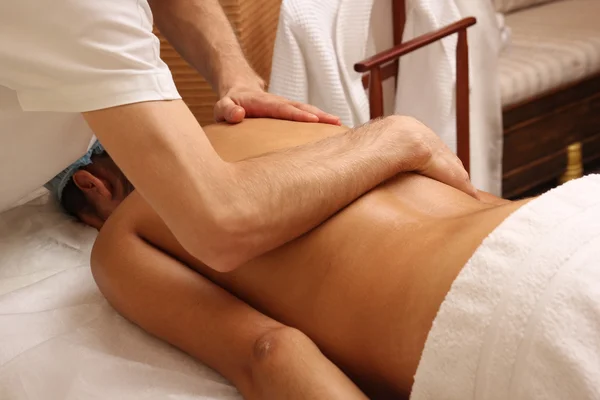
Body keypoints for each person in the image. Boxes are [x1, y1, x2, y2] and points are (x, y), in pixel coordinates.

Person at [63, 118, 600, 399]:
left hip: (519, 317)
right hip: (569, 221)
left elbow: (272, 354)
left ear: (93, 184)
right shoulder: (269, 118)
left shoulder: (126, 233)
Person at [0, 0, 475, 272]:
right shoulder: (131, 243)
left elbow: (269, 353)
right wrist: (398, 136)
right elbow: (221, 224)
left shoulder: (123, 251)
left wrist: (236, 76)